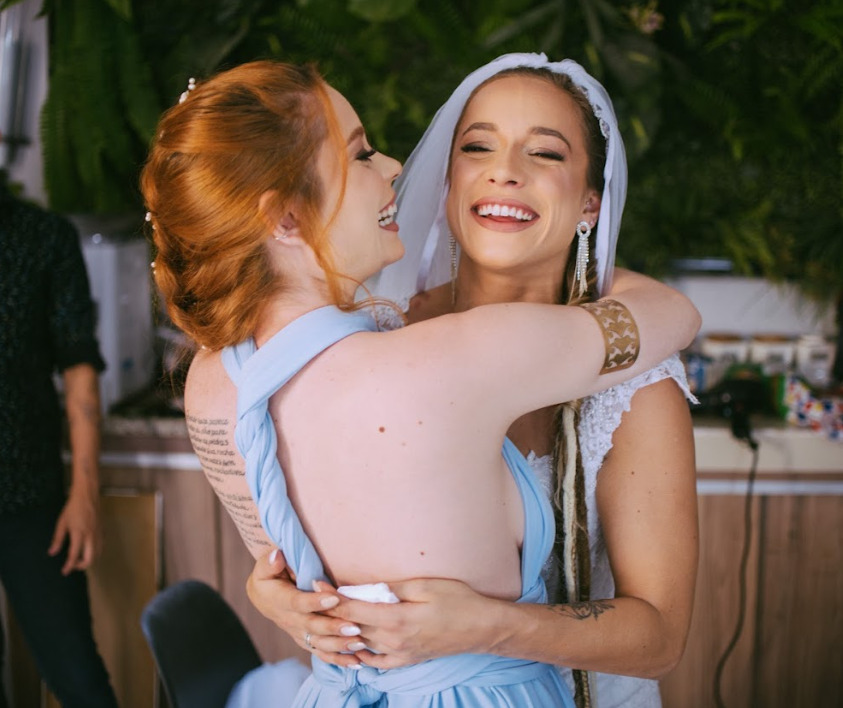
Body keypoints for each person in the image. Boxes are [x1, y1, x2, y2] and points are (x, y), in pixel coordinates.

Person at [140, 59, 699, 706]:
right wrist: (277, 591)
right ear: (448, 178)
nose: (504, 170)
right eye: (477, 147)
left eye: (545, 152)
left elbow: (660, 640)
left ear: (590, 202)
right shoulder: (387, 333)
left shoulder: (637, 388)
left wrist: (491, 626)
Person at [0, 164, 118, 707]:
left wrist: (84, 493)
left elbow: (79, 368)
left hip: (31, 495)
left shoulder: (43, 236)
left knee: (78, 676)